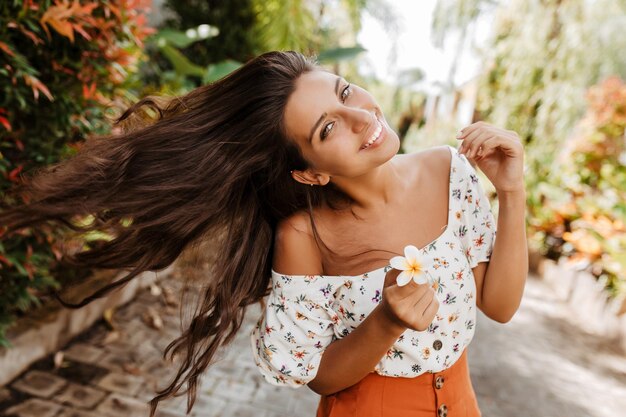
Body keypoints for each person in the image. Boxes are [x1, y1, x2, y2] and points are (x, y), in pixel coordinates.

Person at [0, 51, 528, 417]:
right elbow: (320, 376)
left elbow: (500, 306)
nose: (359, 116)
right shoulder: (305, 234)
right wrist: (386, 321)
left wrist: (511, 191)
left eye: (344, 92)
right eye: (326, 128)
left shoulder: (450, 170)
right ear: (309, 171)